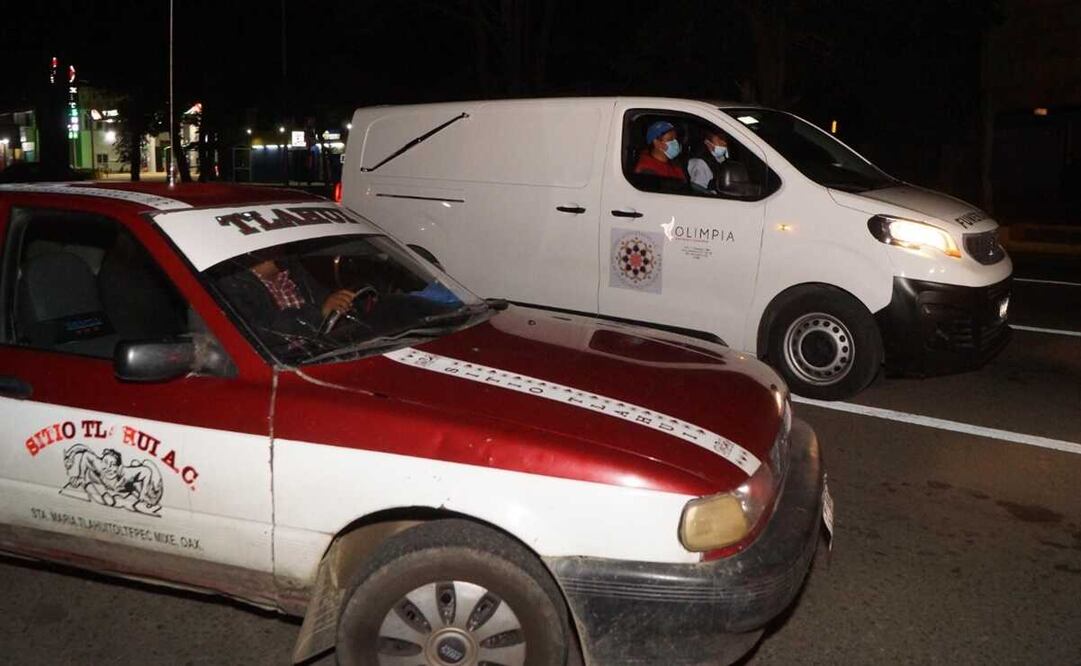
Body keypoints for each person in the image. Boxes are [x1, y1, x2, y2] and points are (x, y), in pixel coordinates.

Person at [215, 252, 358, 348]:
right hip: (285, 367)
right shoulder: (232, 286)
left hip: (323, 352)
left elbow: (328, 306)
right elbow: (262, 335)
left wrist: (342, 304)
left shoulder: (295, 271)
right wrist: (319, 313)